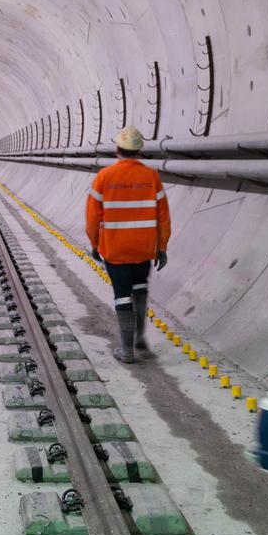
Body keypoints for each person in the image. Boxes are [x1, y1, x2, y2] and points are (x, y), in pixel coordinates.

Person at [85, 126, 171, 363]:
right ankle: (140, 338)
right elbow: (163, 216)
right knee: (140, 288)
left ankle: (126, 350)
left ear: (117, 150)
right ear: (139, 152)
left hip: (116, 249)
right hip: (144, 248)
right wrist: (161, 247)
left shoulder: (104, 177)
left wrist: (95, 244)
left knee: (122, 295)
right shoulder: (151, 176)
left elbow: (93, 219)